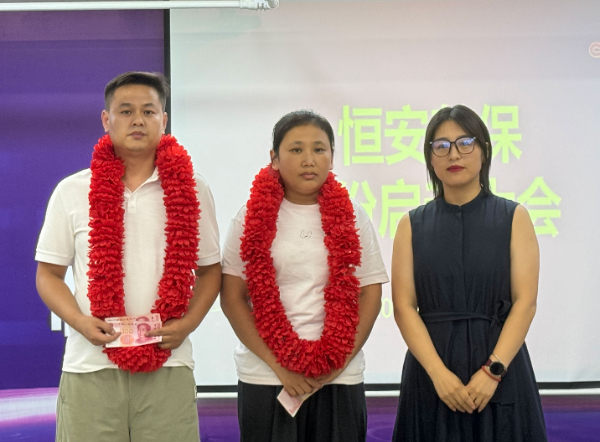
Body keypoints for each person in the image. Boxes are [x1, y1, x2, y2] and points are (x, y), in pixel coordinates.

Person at [35, 71, 221, 442]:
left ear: (163, 120)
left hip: (168, 364)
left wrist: (188, 324)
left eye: (148, 111)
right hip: (90, 367)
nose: (138, 120)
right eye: (126, 111)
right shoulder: (72, 190)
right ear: (106, 120)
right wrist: (80, 322)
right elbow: (48, 274)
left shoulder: (193, 188)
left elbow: (210, 270)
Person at [220, 110, 389, 442]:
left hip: (338, 377)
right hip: (267, 377)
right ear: (274, 158)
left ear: (332, 157)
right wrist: (280, 367)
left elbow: (370, 293)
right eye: (296, 149)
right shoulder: (248, 217)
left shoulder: (354, 215)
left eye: (319, 149)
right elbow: (232, 298)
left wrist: (338, 363)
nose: (309, 159)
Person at [391, 105, 547, 441]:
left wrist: (492, 372)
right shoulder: (411, 225)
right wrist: (438, 375)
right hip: (432, 374)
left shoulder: (514, 217)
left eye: (465, 143)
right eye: (441, 146)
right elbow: (403, 306)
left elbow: (525, 302)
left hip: (500, 370)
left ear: (484, 150)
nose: (453, 154)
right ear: (430, 158)